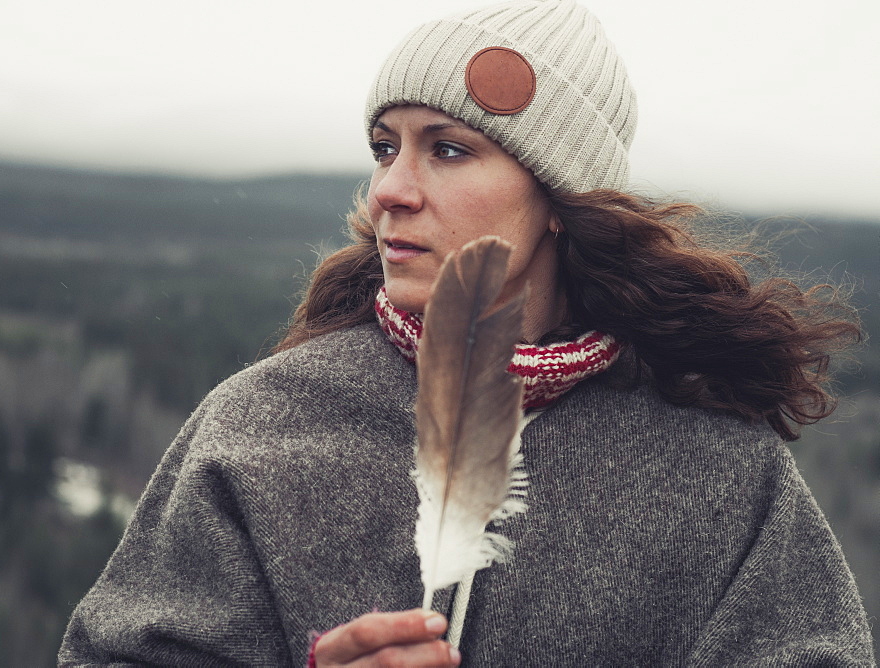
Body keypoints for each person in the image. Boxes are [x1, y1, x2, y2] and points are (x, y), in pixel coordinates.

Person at [59, 1, 874, 665]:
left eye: (448, 149)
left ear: (559, 200)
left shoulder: (719, 470)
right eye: (385, 148)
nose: (390, 190)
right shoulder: (261, 426)